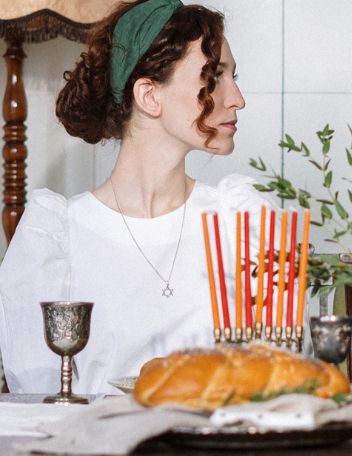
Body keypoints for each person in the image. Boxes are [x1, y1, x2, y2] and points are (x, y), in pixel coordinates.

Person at [0, 0, 271, 394]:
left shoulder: (240, 222)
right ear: (149, 96)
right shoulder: (55, 239)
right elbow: (42, 407)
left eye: (233, 76)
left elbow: (275, 381)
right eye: (213, 77)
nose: (237, 98)